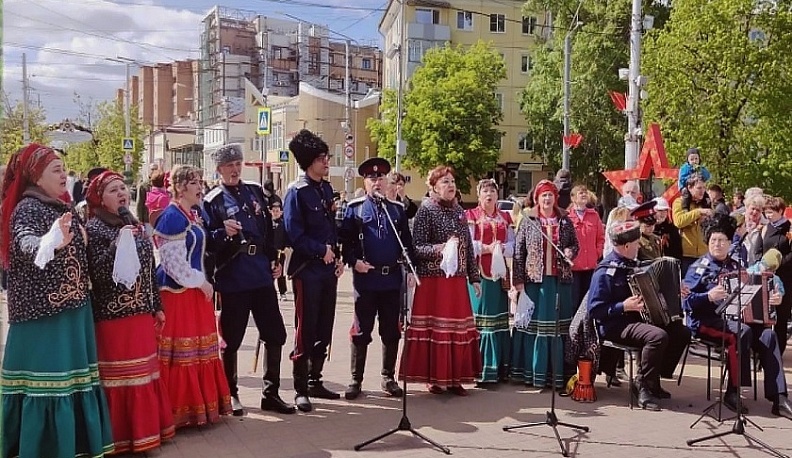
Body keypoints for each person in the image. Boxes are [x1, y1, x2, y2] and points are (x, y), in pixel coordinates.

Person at [0, 144, 114, 457]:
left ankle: (75, 444)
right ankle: (45, 447)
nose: (64, 174)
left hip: (71, 312)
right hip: (44, 317)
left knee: (72, 381)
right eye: (55, 170)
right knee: (50, 384)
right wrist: (50, 241)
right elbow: (26, 241)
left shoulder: (58, 207)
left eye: (63, 168)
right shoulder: (28, 208)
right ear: (36, 176)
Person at [84, 170, 175, 453]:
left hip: (140, 315)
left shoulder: (134, 225)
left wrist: (156, 305)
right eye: (113, 190)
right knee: (120, 377)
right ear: (100, 199)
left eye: (123, 188)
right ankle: (120, 437)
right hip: (113, 319)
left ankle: (146, 435)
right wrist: (116, 244)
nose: (121, 193)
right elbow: (96, 273)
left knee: (144, 374)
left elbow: (148, 270)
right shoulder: (95, 229)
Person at [203, 144, 295, 416]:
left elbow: (267, 230)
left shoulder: (254, 191)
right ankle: (231, 393)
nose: (234, 169)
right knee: (231, 339)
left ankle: (271, 393)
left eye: (237, 164)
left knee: (275, 334)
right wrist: (223, 233)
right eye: (228, 165)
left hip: (261, 275)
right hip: (234, 276)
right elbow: (207, 241)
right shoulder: (213, 200)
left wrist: (274, 261)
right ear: (219, 169)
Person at [684, 213, 792, 417]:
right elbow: (686, 302)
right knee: (740, 333)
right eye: (714, 240)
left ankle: (779, 397)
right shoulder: (698, 268)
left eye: (722, 240)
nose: (718, 244)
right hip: (705, 322)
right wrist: (708, 296)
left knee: (768, 335)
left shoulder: (736, 267)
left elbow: (756, 292)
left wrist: (773, 298)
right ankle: (733, 392)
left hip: (738, 320)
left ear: (728, 242)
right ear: (708, 242)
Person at [155, 165, 232, 427]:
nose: (200, 187)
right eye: (193, 183)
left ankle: (200, 408)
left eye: (200, 182)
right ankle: (177, 410)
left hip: (195, 292)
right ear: (179, 187)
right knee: (181, 354)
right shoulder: (172, 217)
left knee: (200, 351)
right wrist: (200, 282)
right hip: (179, 294)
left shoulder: (192, 214)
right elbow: (172, 264)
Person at [588, 221, 691, 410]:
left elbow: (657, 289)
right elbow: (595, 310)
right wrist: (623, 306)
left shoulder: (636, 264)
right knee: (657, 336)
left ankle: (654, 380)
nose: (639, 246)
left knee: (681, 332)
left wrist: (676, 289)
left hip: (639, 319)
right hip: (615, 325)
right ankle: (641, 384)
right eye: (636, 243)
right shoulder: (605, 272)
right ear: (626, 246)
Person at [399, 165, 483, 396]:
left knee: (457, 330)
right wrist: (441, 249)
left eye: (452, 181)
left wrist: (474, 278)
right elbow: (417, 247)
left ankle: (455, 378)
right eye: (445, 182)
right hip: (434, 281)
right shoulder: (426, 209)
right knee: (436, 330)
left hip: (456, 281)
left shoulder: (459, 210)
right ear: (434, 186)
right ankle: (434, 378)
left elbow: (466, 244)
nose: (451, 185)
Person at [340, 157, 413, 399]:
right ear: (365, 181)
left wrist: (411, 271)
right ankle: (355, 379)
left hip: (391, 279)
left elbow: (407, 244)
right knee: (362, 330)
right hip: (367, 280)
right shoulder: (355, 209)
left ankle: (387, 377)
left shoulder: (396, 209)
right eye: (372, 178)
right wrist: (354, 261)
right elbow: (346, 243)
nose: (377, 181)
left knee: (391, 329)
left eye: (381, 177)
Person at [283, 130, 345, 412]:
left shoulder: (326, 189)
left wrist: (338, 256)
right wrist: (321, 250)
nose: (326, 162)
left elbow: (332, 228)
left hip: (328, 269)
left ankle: (315, 379)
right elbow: (293, 234)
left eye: (327, 157)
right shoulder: (297, 192)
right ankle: (299, 388)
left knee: (324, 325)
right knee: (305, 327)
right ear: (309, 162)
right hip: (306, 270)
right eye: (322, 158)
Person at [511, 180, 580, 388]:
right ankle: (533, 373)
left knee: (557, 328)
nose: (547, 199)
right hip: (535, 282)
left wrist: (569, 252)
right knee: (536, 328)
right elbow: (518, 252)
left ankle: (556, 375)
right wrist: (519, 281)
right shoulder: (529, 220)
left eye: (550, 195)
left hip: (560, 282)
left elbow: (574, 244)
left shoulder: (565, 220)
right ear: (536, 199)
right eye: (543, 196)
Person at [466, 178, 515, 385]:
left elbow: (513, 244)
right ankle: (481, 369)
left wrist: (502, 248)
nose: (489, 194)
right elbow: (468, 244)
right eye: (485, 191)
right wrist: (486, 248)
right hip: (480, 274)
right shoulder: (472, 216)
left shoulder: (505, 217)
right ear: (479, 196)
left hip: (500, 274)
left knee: (500, 319)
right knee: (483, 319)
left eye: (492, 191)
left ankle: (500, 368)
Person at [753, 196, 792, 354]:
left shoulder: (789, 228)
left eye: (771, 212)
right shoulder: (765, 228)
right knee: (763, 314)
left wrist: (778, 264)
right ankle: (761, 350)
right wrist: (761, 265)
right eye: (766, 212)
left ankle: (778, 350)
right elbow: (757, 249)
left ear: (780, 211)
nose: (768, 216)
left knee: (781, 317)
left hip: (785, 277)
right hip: (765, 275)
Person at [568, 184, 605, 310]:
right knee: (573, 301)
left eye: (585, 192)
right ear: (573, 198)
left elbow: (601, 237)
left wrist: (597, 253)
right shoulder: (567, 217)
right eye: (580, 193)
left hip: (590, 266)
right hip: (574, 267)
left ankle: (585, 328)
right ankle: (573, 327)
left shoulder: (594, 216)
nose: (584, 195)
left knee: (588, 301)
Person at [672, 173, 713, 273]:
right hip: (687, 255)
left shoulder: (706, 203)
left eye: (704, 188)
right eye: (699, 188)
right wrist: (698, 212)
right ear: (689, 188)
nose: (702, 191)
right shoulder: (679, 202)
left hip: (704, 253)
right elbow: (678, 221)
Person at [271, 200, 289, 301]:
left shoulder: (283, 224)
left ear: (281, 212)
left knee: (280, 273)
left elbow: (287, 236)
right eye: (274, 211)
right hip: (270, 252)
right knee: (270, 273)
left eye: (277, 211)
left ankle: (283, 292)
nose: (275, 213)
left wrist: (286, 246)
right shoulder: (268, 224)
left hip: (280, 252)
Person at [137, 163, 159, 227]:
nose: (154, 171)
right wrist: (140, 219)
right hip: (147, 219)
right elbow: (140, 203)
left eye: (156, 169)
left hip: (159, 220)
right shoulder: (144, 186)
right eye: (152, 169)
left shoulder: (161, 185)